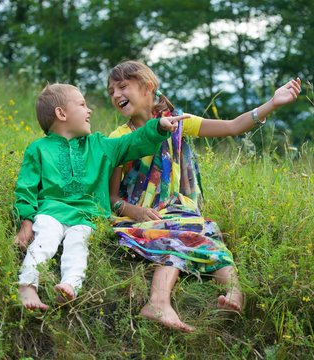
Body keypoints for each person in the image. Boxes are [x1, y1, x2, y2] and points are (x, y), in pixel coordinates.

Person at [107, 61, 301, 332]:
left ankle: (234, 294)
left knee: (209, 231)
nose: (116, 94)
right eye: (111, 91)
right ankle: (158, 302)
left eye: (122, 86)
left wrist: (272, 103)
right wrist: (135, 211)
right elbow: (112, 198)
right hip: (143, 218)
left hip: (178, 212)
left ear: (148, 86)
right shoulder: (118, 139)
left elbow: (233, 126)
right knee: (179, 232)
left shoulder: (178, 124)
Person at [13, 83, 188, 310]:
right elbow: (25, 187)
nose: (89, 111)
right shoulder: (38, 149)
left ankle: (70, 286)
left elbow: (131, 142)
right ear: (61, 113)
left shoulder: (100, 146)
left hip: (88, 217)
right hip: (51, 212)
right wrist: (26, 222)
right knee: (44, 240)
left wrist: (159, 127)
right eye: (82, 105)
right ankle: (27, 286)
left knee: (79, 245)